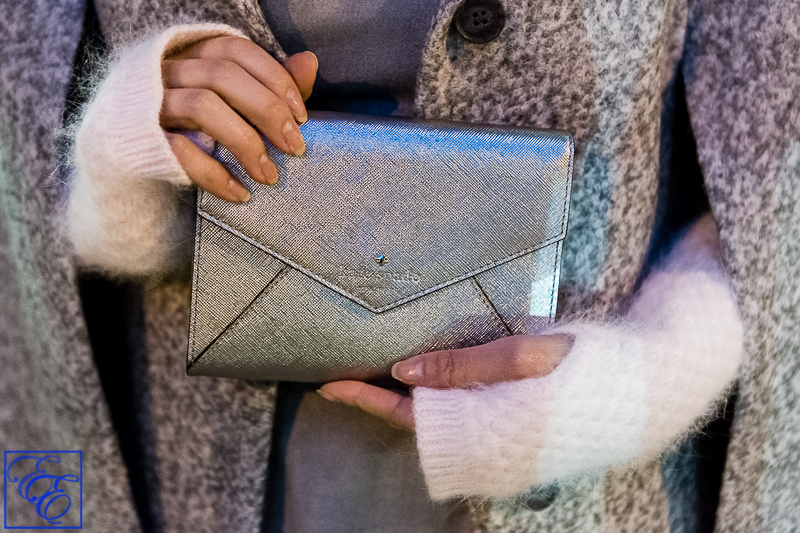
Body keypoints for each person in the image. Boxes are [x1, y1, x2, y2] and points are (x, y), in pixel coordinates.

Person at [0, 0, 797, 532]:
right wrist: (116, 154)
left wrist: (643, 380)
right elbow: (28, 139)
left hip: (579, 477)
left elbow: (775, 159)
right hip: (199, 479)